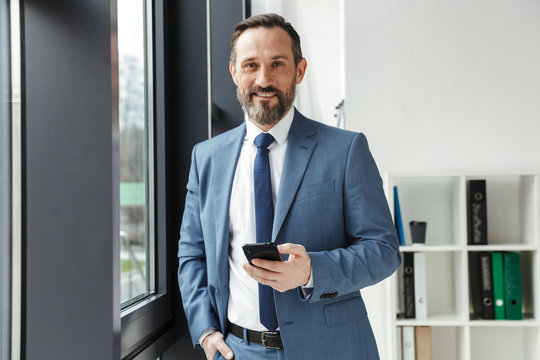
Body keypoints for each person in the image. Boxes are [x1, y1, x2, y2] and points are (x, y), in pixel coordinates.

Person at [178, 13, 401, 360]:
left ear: (299, 70)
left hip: (331, 351)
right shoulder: (206, 158)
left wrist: (312, 270)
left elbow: (384, 250)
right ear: (235, 72)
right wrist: (205, 331)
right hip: (236, 351)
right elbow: (192, 254)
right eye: (251, 65)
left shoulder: (346, 149)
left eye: (277, 63)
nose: (263, 79)